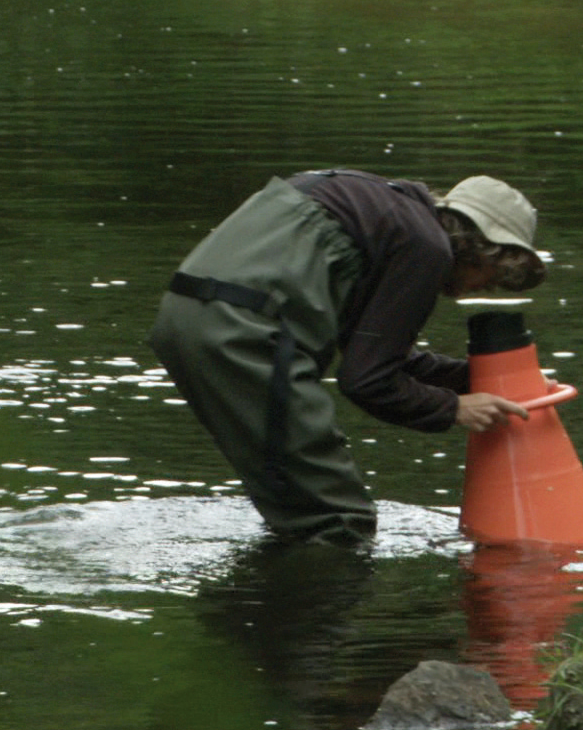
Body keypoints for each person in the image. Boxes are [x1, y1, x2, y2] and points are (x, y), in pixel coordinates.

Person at [148, 169, 547, 547]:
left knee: (296, 505)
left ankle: (264, 609)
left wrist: (489, 378)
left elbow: (382, 357)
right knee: (338, 523)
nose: (479, 290)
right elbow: (367, 381)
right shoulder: (427, 246)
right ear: (482, 249)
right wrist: (455, 408)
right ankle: (298, 614)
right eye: (492, 278)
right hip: (245, 335)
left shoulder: (372, 208)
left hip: (186, 318)